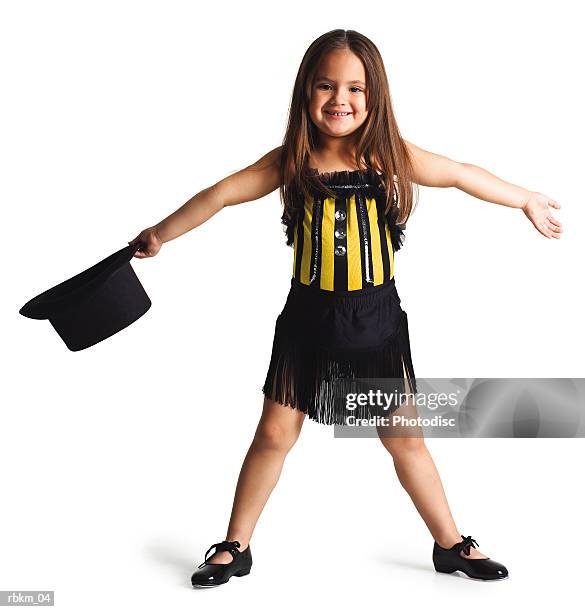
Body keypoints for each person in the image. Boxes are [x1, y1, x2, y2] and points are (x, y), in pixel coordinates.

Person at [129, 29, 562, 586]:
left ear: (374, 95)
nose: (340, 99)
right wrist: (161, 235)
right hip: (307, 322)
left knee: (404, 438)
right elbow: (220, 194)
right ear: (305, 93)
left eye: (355, 88)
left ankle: (451, 544)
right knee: (275, 435)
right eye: (326, 85)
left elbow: (458, 173)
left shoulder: (390, 157)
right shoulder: (293, 161)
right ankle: (234, 547)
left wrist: (524, 198)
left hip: (376, 323)